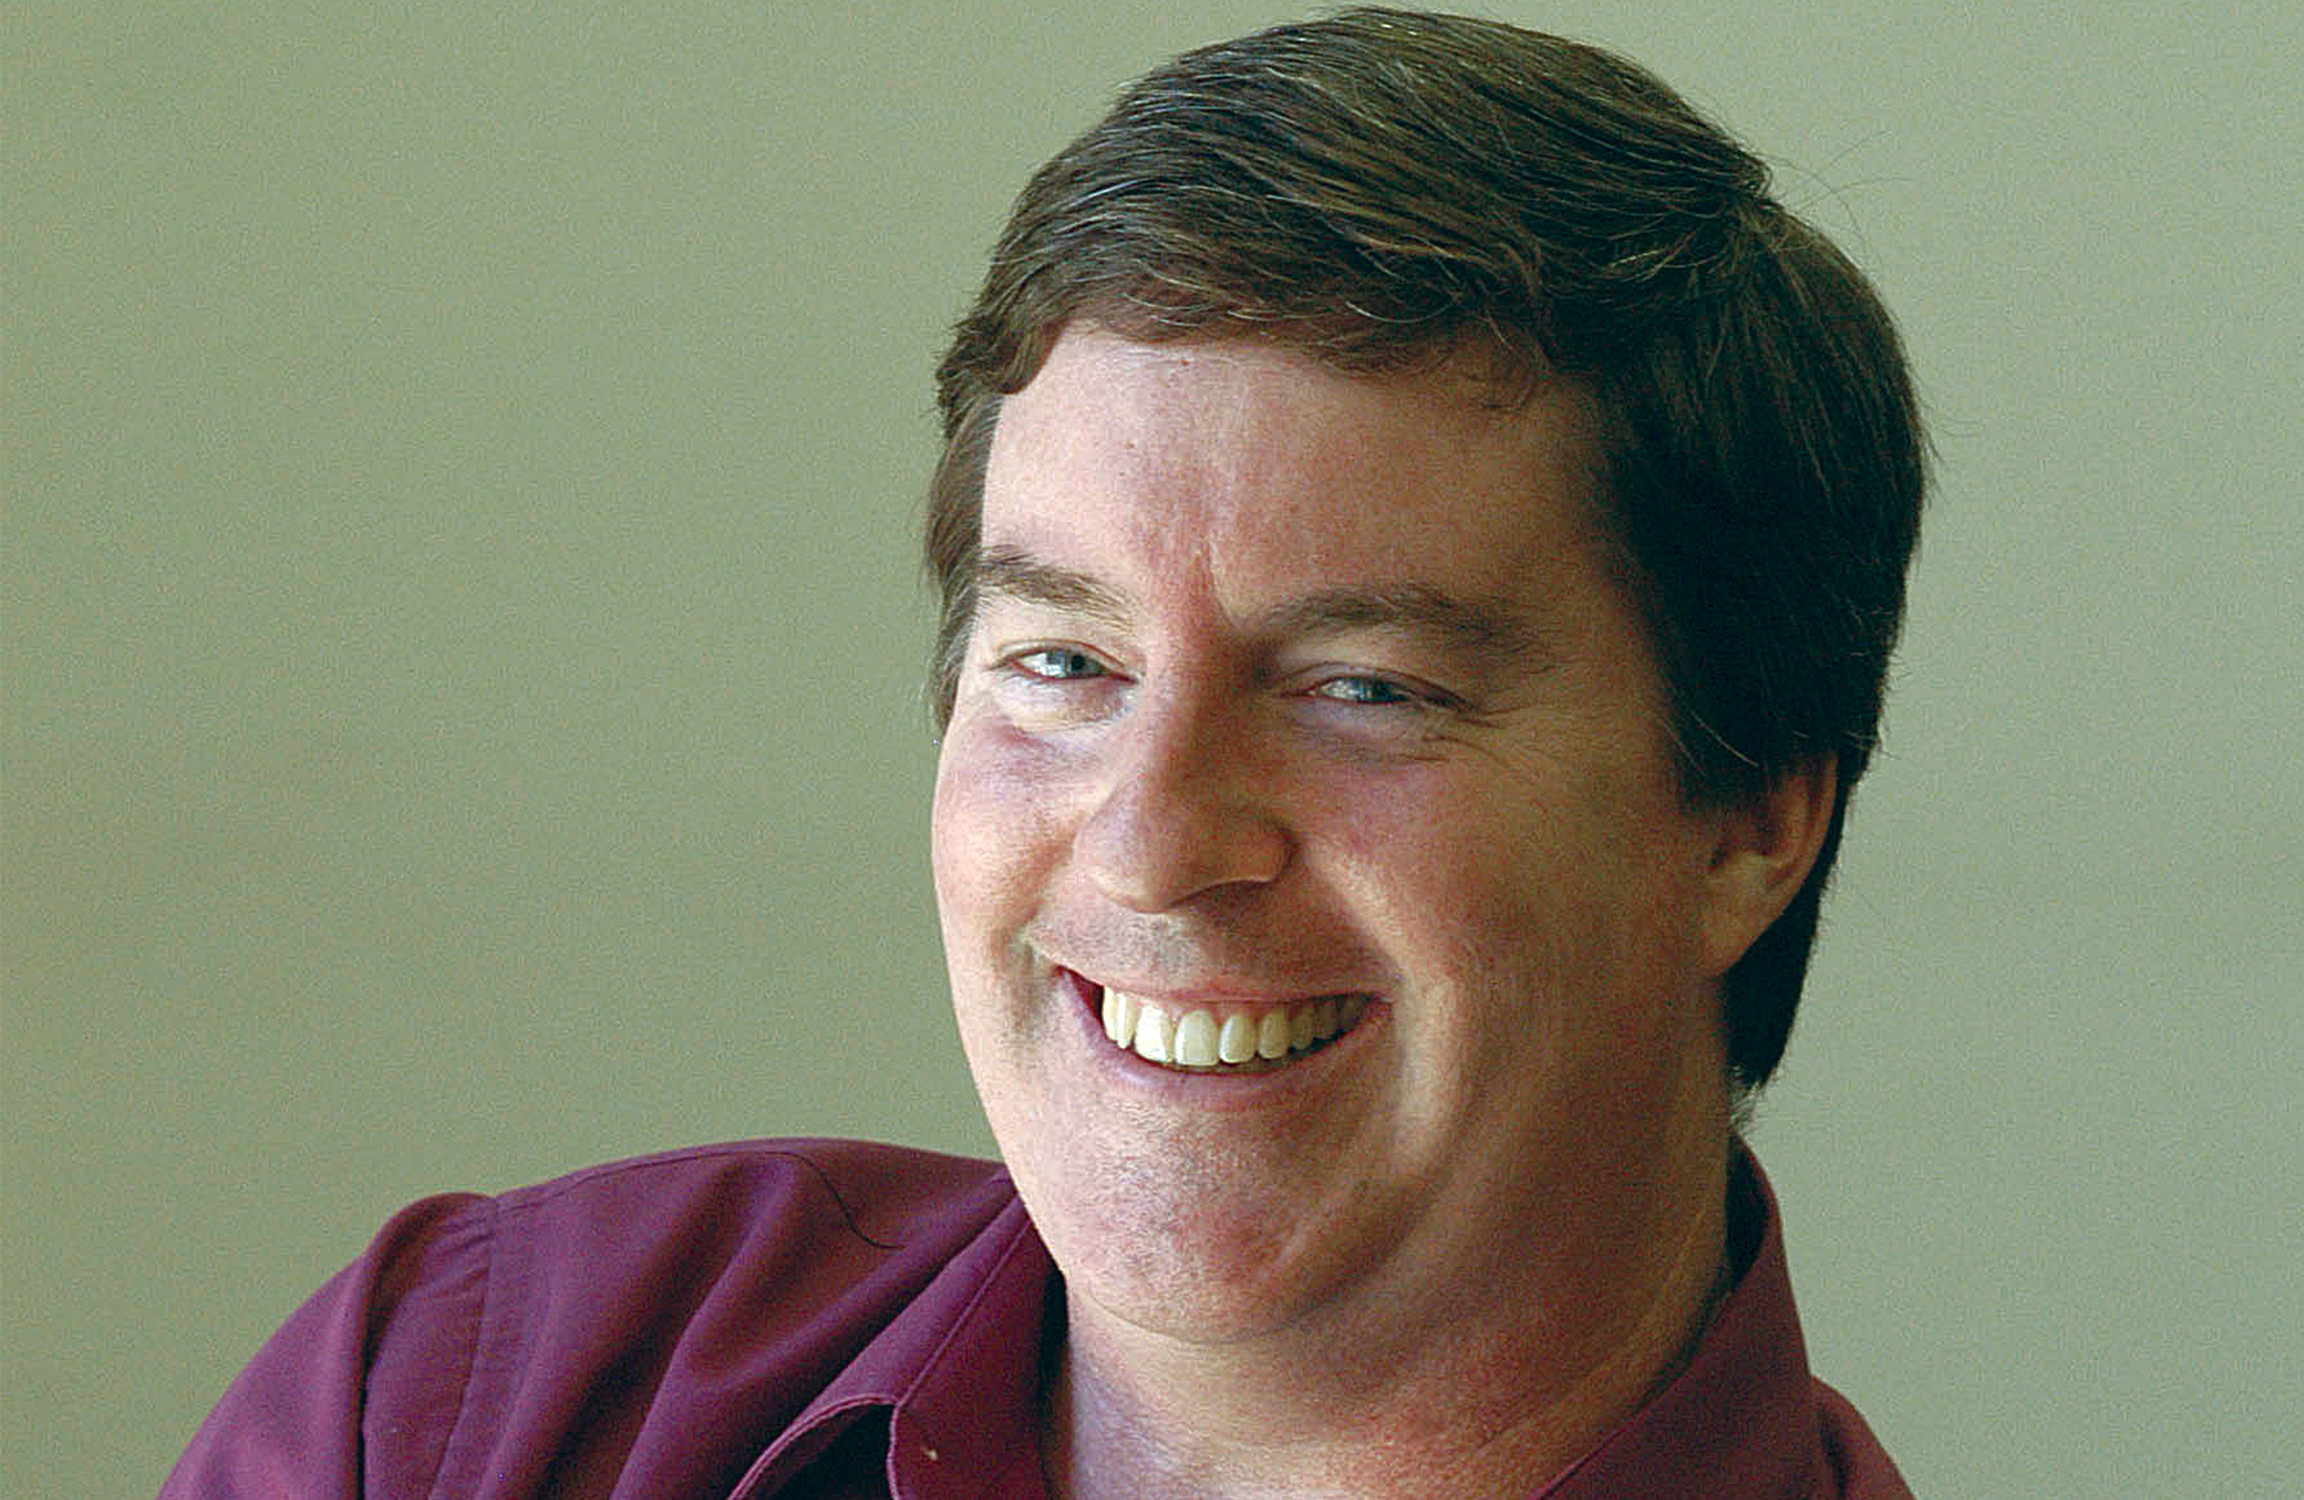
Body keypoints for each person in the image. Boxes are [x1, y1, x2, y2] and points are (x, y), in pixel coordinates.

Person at [161, 9, 1924, 1497]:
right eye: (1066, 663)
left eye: (1363, 689)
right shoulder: (468, 1408)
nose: (1151, 842)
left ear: (1751, 823)